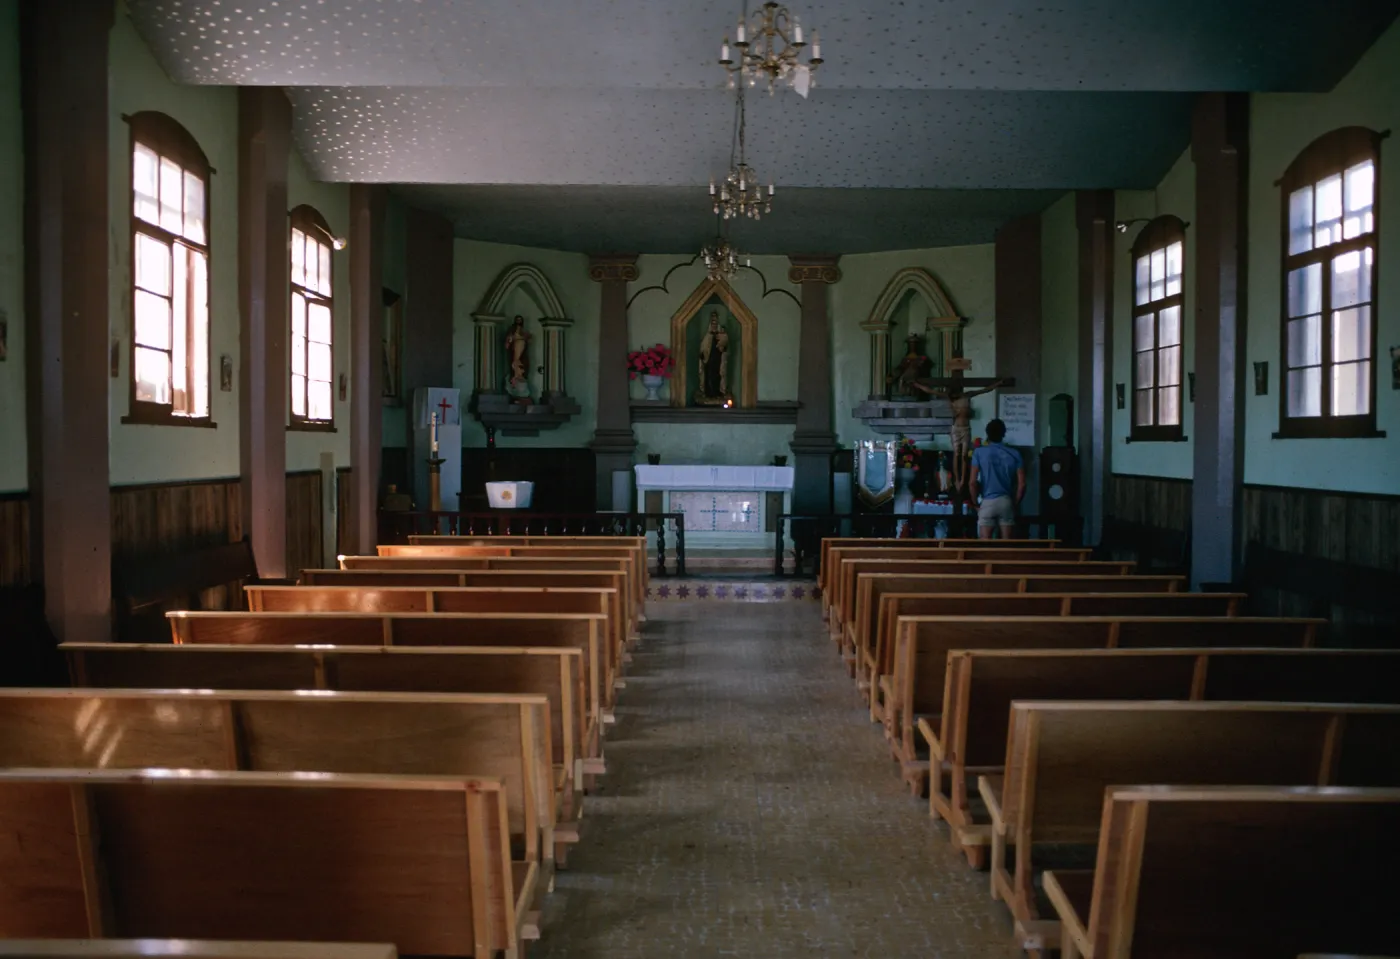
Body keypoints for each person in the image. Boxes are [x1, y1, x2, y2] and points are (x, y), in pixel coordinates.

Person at [968, 418, 1025, 540]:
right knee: (1007, 549)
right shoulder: (1015, 454)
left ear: (987, 434)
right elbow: (1022, 485)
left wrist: (975, 504)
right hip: (1006, 500)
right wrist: (1014, 503)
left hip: (987, 501)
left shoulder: (978, 452)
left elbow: (972, 483)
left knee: (985, 549)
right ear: (1004, 434)